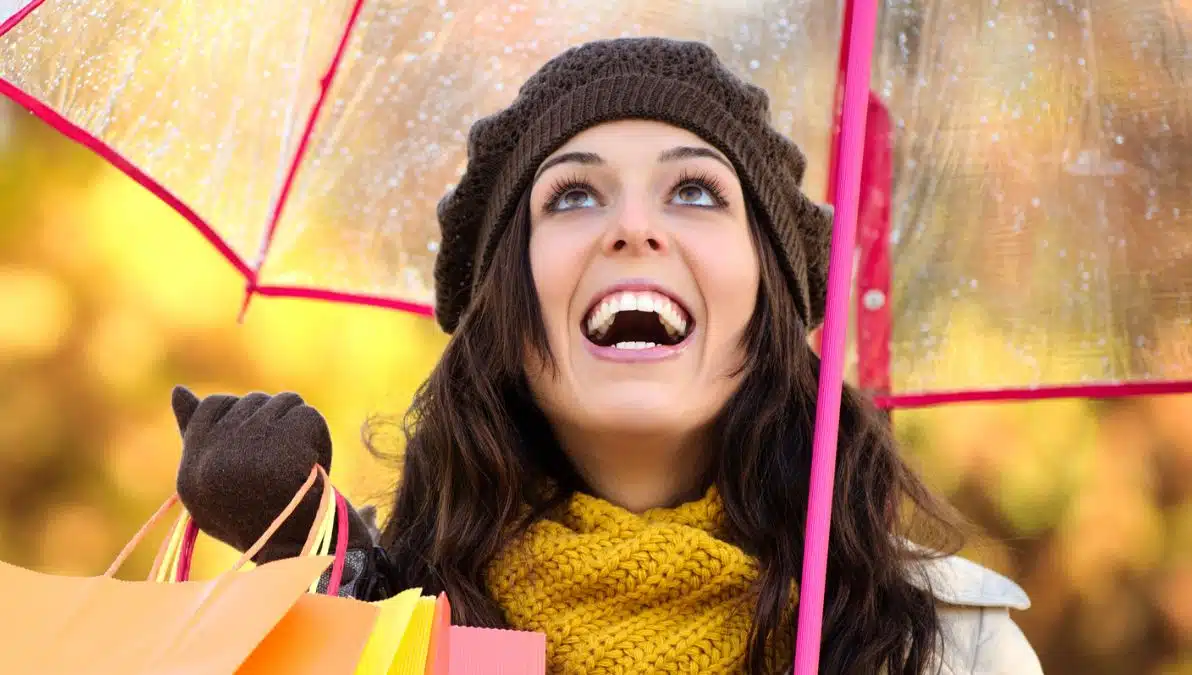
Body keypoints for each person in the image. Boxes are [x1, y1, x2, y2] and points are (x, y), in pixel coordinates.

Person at [169, 37, 1043, 674]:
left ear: (767, 301)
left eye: (695, 190)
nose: (634, 226)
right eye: (575, 195)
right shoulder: (380, 614)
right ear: (505, 313)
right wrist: (321, 578)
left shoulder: (951, 648)